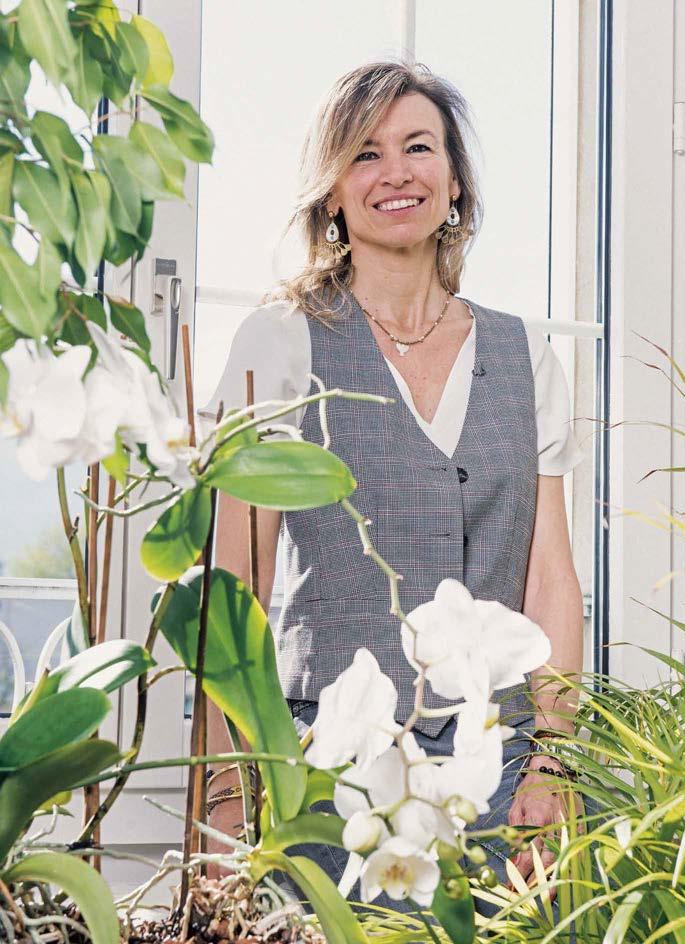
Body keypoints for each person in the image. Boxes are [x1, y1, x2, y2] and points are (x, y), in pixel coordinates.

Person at [201, 60, 585, 905]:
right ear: (332, 193)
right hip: (324, 764)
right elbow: (234, 589)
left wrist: (553, 763)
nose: (395, 173)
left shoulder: (527, 358)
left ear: (454, 182)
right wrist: (228, 792)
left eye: (418, 147)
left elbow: (549, 578)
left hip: (499, 763)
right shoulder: (278, 344)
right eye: (364, 154)